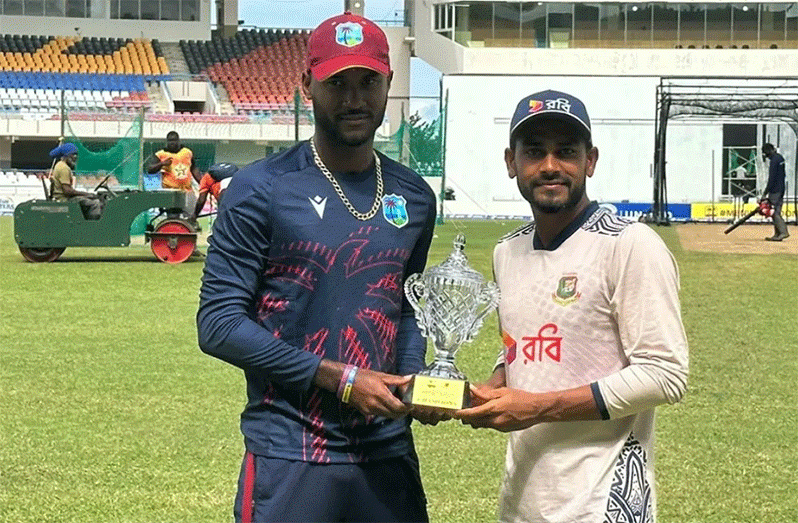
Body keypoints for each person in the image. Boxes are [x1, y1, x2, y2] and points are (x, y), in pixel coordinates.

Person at [197, 12, 437, 523]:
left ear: (389, 82)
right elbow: (218, 325)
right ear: (307, 85)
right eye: (337, 83)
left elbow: (407, 310)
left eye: (368, 81)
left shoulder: (415, 197)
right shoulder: (261, 190)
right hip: (291, 452)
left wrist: (416, 376)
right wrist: (340, 378)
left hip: (388, 452)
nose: (354, 98)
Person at [454, 90, 689, 523]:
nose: (549, 166)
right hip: (523, 501)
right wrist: (497, 381)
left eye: (565, 152)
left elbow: (665, 374)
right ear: (512, 163)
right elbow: (524, 340)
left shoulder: (629, 245)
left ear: (590, 161)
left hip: (601, 507)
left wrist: (537, 405)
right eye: (534, 152)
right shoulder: (507, 251)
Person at [146, 131, 201, 215]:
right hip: (171, 193)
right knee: (173, 218)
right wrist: (162, 163)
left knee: (191, 217)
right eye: (170, 141)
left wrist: (202, 183)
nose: (172, 143)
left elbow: (193, 168)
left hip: (187, 191)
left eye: (174, 140)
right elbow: (149, 169)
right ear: (167, 142)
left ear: (179, 141)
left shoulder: (187, 152)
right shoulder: (161, 154)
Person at [48, 143, 103, 220]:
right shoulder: (64, 168)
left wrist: (86, 195)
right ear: (66, 156)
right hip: (64, 199)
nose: (75, 157)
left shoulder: (60, 165)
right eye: (73, 155)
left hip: (62, 197)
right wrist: (87, 194)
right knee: (95, 203)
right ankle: (93, 228)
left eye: (76, 155)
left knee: (91, 199)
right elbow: (67, 191)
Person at [761, 142, 789, 241]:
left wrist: (765, 192)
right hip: (781, 188)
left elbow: (772, 178)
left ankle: (783, 232)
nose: (766, 157)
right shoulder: (780, 158)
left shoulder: (774, 161)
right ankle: (777, 234)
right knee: (777, 211)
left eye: (766, 154)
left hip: (775, 190)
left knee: (774, 212)